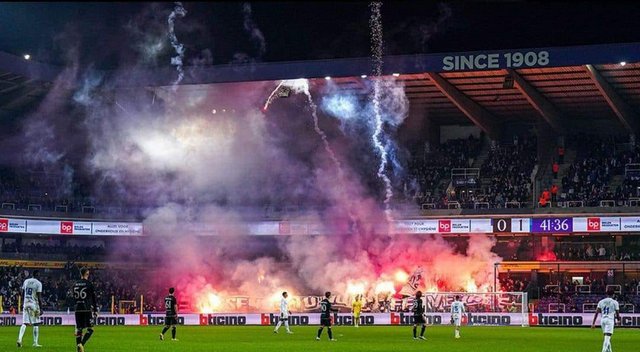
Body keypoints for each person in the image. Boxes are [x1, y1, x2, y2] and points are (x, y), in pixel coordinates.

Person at [73, 268, 97, 352]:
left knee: (79, 329)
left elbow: (73, 297)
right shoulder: (89, 284)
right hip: (86, 309)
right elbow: (93, 298)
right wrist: (95, 310)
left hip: (77, 309)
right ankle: (81, 344)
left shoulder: (75, 284)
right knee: (91, 328)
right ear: (87, 273)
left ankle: (78, 349)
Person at [17, 270, 43, 348]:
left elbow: (22, 292)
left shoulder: (26, 281)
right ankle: (35, 343)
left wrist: (21, 302)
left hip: (26, 303)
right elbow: (39, 297)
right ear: (37, 275)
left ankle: (19, 339)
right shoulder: (38, 283)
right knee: (36, 323)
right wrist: (41, 308)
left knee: (24, 323)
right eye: (39, 275)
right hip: (34, 305)